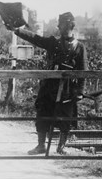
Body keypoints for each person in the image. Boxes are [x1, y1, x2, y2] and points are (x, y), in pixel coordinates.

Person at [7, 12, 87, 155]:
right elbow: (35, 38)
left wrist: (79, 92)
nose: (58, 26)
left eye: (61, 24)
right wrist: (17, 30)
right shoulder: (53, 43)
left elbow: (83, 71)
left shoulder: (79, 47)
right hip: (49, 86)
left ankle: (61, 147)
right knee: (43, 114)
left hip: (68, 89)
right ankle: (41, 145)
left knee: (65, 118)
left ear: (70, 25)